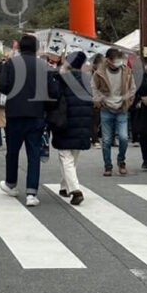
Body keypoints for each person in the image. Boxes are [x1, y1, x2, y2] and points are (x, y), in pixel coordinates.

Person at [0, 33, 60, 207]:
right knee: (34, 154)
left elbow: (2, 86)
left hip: (14, 113)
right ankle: (31, 193)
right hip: (36, 114)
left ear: (19, 47)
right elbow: (54, 92)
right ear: (36, 48)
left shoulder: (11, 64)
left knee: (12, 151)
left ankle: (11, 184)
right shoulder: (44, 66)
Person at [52, 50, 93, 205]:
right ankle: (64, 186)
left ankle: (75, 190)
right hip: (83, 122)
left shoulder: (62, 79)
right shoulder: (87, 80)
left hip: (65, 121)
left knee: (65, 156)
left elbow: (54, 97)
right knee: (73, 156)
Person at [92, 48, 136, 176]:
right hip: (106, 108)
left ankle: (121, 161)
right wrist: (99, 102)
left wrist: (128, 102)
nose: (118, 63)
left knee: (123, 137)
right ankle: (108, 166)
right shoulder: (99, 73)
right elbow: (94, 88)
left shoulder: (127, 71)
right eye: (115, 61)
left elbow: (132, 88)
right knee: (106, 140)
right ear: (108, 60)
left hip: (122, 109)